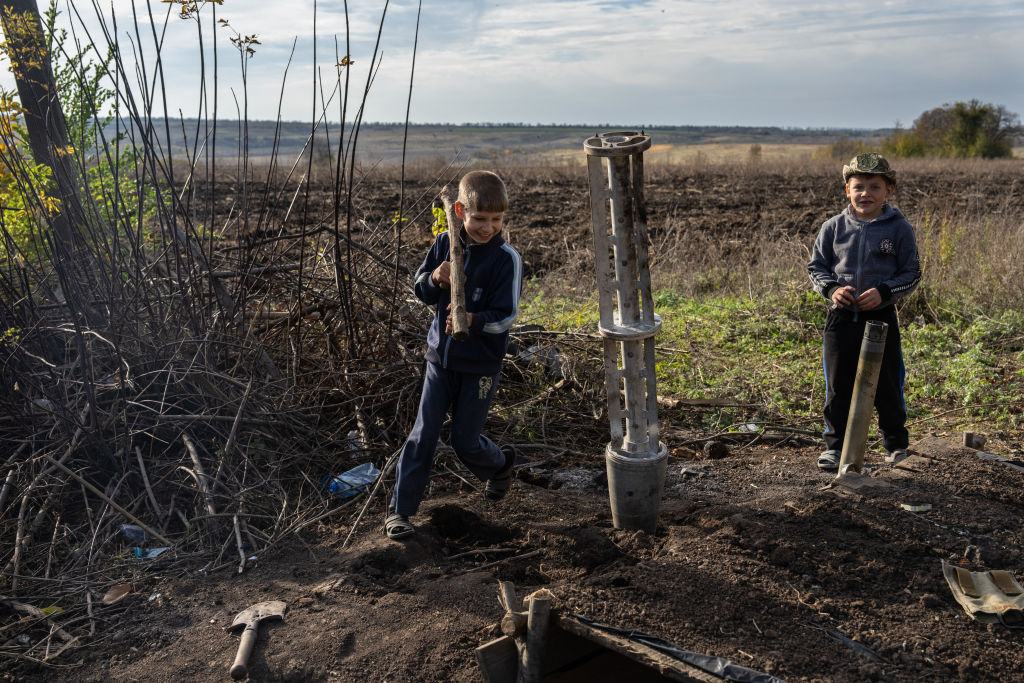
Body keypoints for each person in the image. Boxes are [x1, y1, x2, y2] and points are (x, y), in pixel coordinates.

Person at [385, 171, 523, 539]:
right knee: (423, 433)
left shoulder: (506, 259)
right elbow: (420, 287)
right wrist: (435, 278)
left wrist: (474, 320)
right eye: (479, 219)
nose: (488, 227)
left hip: (479, 366)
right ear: (460, 210)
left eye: (496, 220)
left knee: (465, 441)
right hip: (439, 360)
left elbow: (506, 316)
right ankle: (400, 511)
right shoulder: (445, 242)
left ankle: (499, 464)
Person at [807, 153, 921, 471]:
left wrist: (884, 292)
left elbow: (911, 273)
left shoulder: (899, 229)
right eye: (858, 186)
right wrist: (832, 289)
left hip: (880, 319)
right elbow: (816, 267)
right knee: (838, 384)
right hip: (841, 318)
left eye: (874, 186)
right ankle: (835, 448)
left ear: (889, 190)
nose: (865, 193)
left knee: (886, 383)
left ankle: (896, 445)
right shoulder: (833, 227)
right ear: (847, 190)